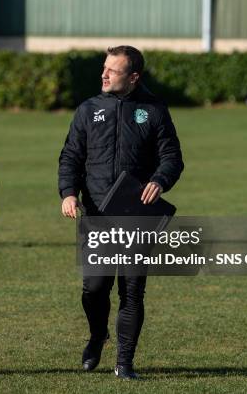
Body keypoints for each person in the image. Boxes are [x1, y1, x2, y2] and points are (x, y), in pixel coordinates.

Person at [58, 46, 184, 380]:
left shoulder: (154, 110)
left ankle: (125, 362)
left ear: (133, 77)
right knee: (95, 288)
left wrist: (160, 180)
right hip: (97, 213)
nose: (105, 74)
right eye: (105, 68)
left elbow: (172, 157)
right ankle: (98, 334)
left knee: (132, 290)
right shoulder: (88, 110)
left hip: (136, 214)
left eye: (113, 70)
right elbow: (70, 157)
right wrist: (68, 193)